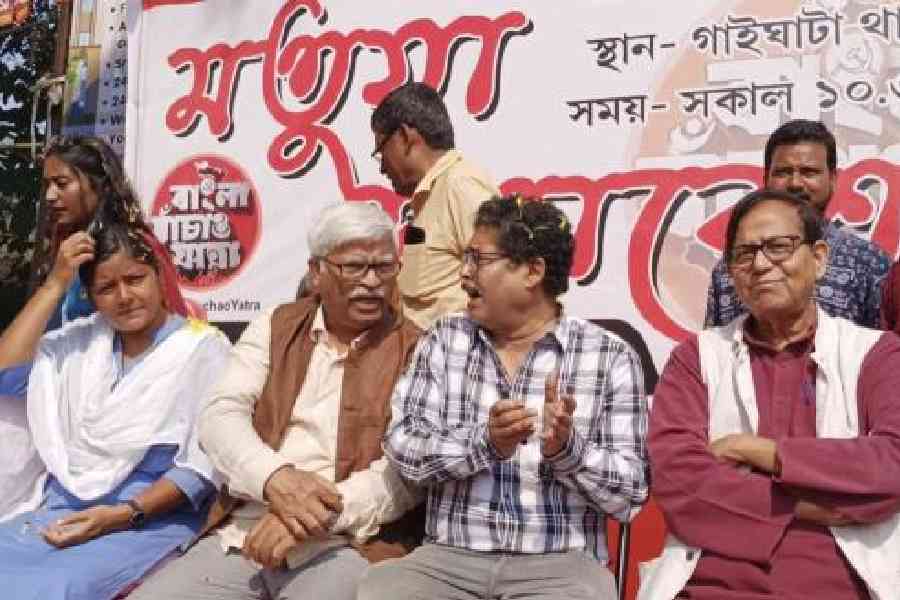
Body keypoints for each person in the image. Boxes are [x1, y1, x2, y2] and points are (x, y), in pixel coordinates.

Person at [359, 196, 650, 600]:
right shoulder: (445, 340)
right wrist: (484, 443)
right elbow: (402, 447)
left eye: (478, 259)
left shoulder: (609, 357)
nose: (463, 274)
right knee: (381, 591)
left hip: (561, 564)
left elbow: (630, 496)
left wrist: (569, 451)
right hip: (449, 560)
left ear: (532, 271)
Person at [130, 202, 422, 600]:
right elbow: (220, 415)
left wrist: (308, 517)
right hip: (245, 531)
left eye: (384, 267)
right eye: (354, 267)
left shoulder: (418, 348)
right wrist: (275, 479)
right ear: (316, 272)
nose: (372, 282)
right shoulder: (274, 324)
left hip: (349, 542)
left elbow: (405, 472)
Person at [643, 189, 900, 600]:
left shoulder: (874, 353)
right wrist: (810, 506)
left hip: (838, 584)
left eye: (779, 247)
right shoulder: (698, 357)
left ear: (818, 259)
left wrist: (758, 451)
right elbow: (675, 477)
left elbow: (892, 464)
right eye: (744, 254)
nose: (761, 264)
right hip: (711, 583)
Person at [0, 219, 230, 600]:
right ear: (90, 296)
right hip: (58, 510)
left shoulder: (202, 349)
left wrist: (119, 515)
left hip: (145, 520)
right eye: (106, 288)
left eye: (135, 279)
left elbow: (201, 470)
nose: (124, 296)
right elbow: (6, 373)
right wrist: (55, 284)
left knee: (49, 590)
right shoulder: (77, 346)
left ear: (158, 277)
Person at [0, 137, 198, 520]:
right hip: (57, 392)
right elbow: (9, 369)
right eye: (47, 186)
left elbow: (166, 336)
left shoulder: (131, 248)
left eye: (63, 183)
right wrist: (56, 281)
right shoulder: (66, 252)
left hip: (122, 413)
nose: (52, 196)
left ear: (99, 184)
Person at [705, 120, 890, 328]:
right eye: (783, 172)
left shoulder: (869, 264)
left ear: (833, 179)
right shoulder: (732, 268)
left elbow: (885, 352)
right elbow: (713, 350)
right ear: (766, 179)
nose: (795, 183)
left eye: (809, 172)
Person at [371, 81, 498, 329]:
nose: (382, 167)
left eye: (381, 150)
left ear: (406, 137)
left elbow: (502, 281)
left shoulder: (460, 185)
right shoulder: (429, 196)